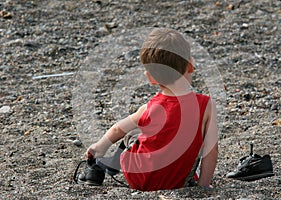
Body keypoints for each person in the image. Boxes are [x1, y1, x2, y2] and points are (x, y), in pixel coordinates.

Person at [79, 28, 218, 191]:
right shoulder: (206, 105)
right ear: (190, 66)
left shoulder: (149, 108)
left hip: (138, 178)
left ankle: (112, 163)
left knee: (133, 133)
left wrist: (99, 147)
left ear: (150, 78)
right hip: (178, 182)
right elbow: (211, 150)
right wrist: (203, 186)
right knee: (195, 137)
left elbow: (118, 128)